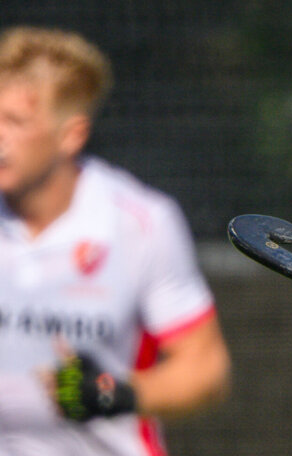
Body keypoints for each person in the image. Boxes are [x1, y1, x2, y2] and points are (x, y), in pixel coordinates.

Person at [0, 26, 231, 455]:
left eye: (15, 122)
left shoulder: (140, 223)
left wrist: (112, 393)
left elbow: (206, 370)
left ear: (71, 135)